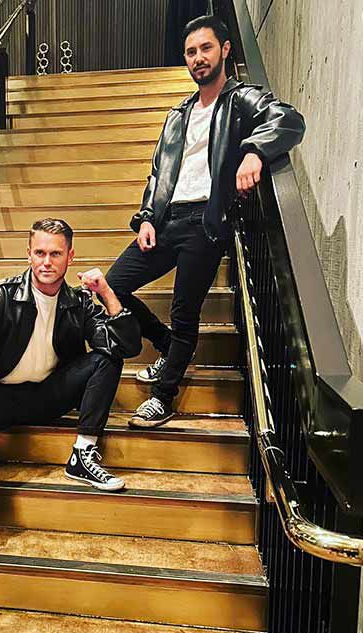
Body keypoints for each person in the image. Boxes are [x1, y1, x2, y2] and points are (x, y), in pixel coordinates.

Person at [105, 14, 305, 428]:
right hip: (166, 221)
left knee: (185, 310)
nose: (198, 58)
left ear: (225, 50)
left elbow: (289, 120)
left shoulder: (241, 99)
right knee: (113, 286)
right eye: (191, 52)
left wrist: (255, 151)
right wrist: (147, 218)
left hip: (205, 223)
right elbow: (158, 173)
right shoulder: (177, 114)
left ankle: (163, 396)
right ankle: (167, 346)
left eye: (206, 48)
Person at [0, 218, 141, 568]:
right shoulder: (2, 296)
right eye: (40, 253)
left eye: (55, 254)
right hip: (1, 397)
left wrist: (106, 293)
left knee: (107, 357)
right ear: (28, 254)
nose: (46, 262)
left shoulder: (78, 301)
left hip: (49, 395)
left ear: (70, 257)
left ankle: (83, 453)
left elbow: (125, 346)